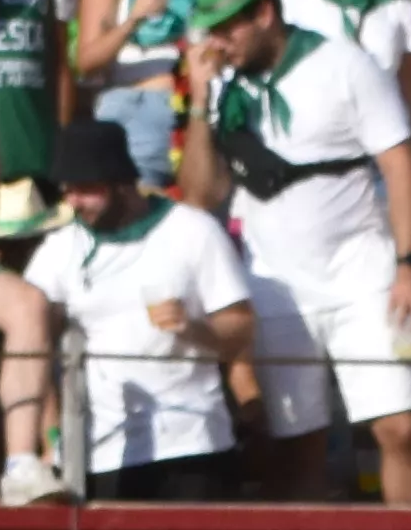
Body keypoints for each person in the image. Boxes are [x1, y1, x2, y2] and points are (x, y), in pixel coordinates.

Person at [182, 0, 411, 497]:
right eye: (212, 30)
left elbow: (399, 166)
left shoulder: (345, 66)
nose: (219, 42)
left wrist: (410, 264)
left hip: (364, 275)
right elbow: (201, 196)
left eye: (227, 28)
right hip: (275, 284)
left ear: (264, 13)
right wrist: (200, 106)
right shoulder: (226, 91)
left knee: (399, 425)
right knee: (296, 445)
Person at [23, 97, 252, 486]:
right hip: (100, 449)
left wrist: (193, 329)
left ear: (123, 183)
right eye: (68, 190)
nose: (75, 201)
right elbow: (31, 345)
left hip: (191, 440)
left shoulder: (192, 231)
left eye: (88, 189)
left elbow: (242, 328)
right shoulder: (59, 249)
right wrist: (50, 434)